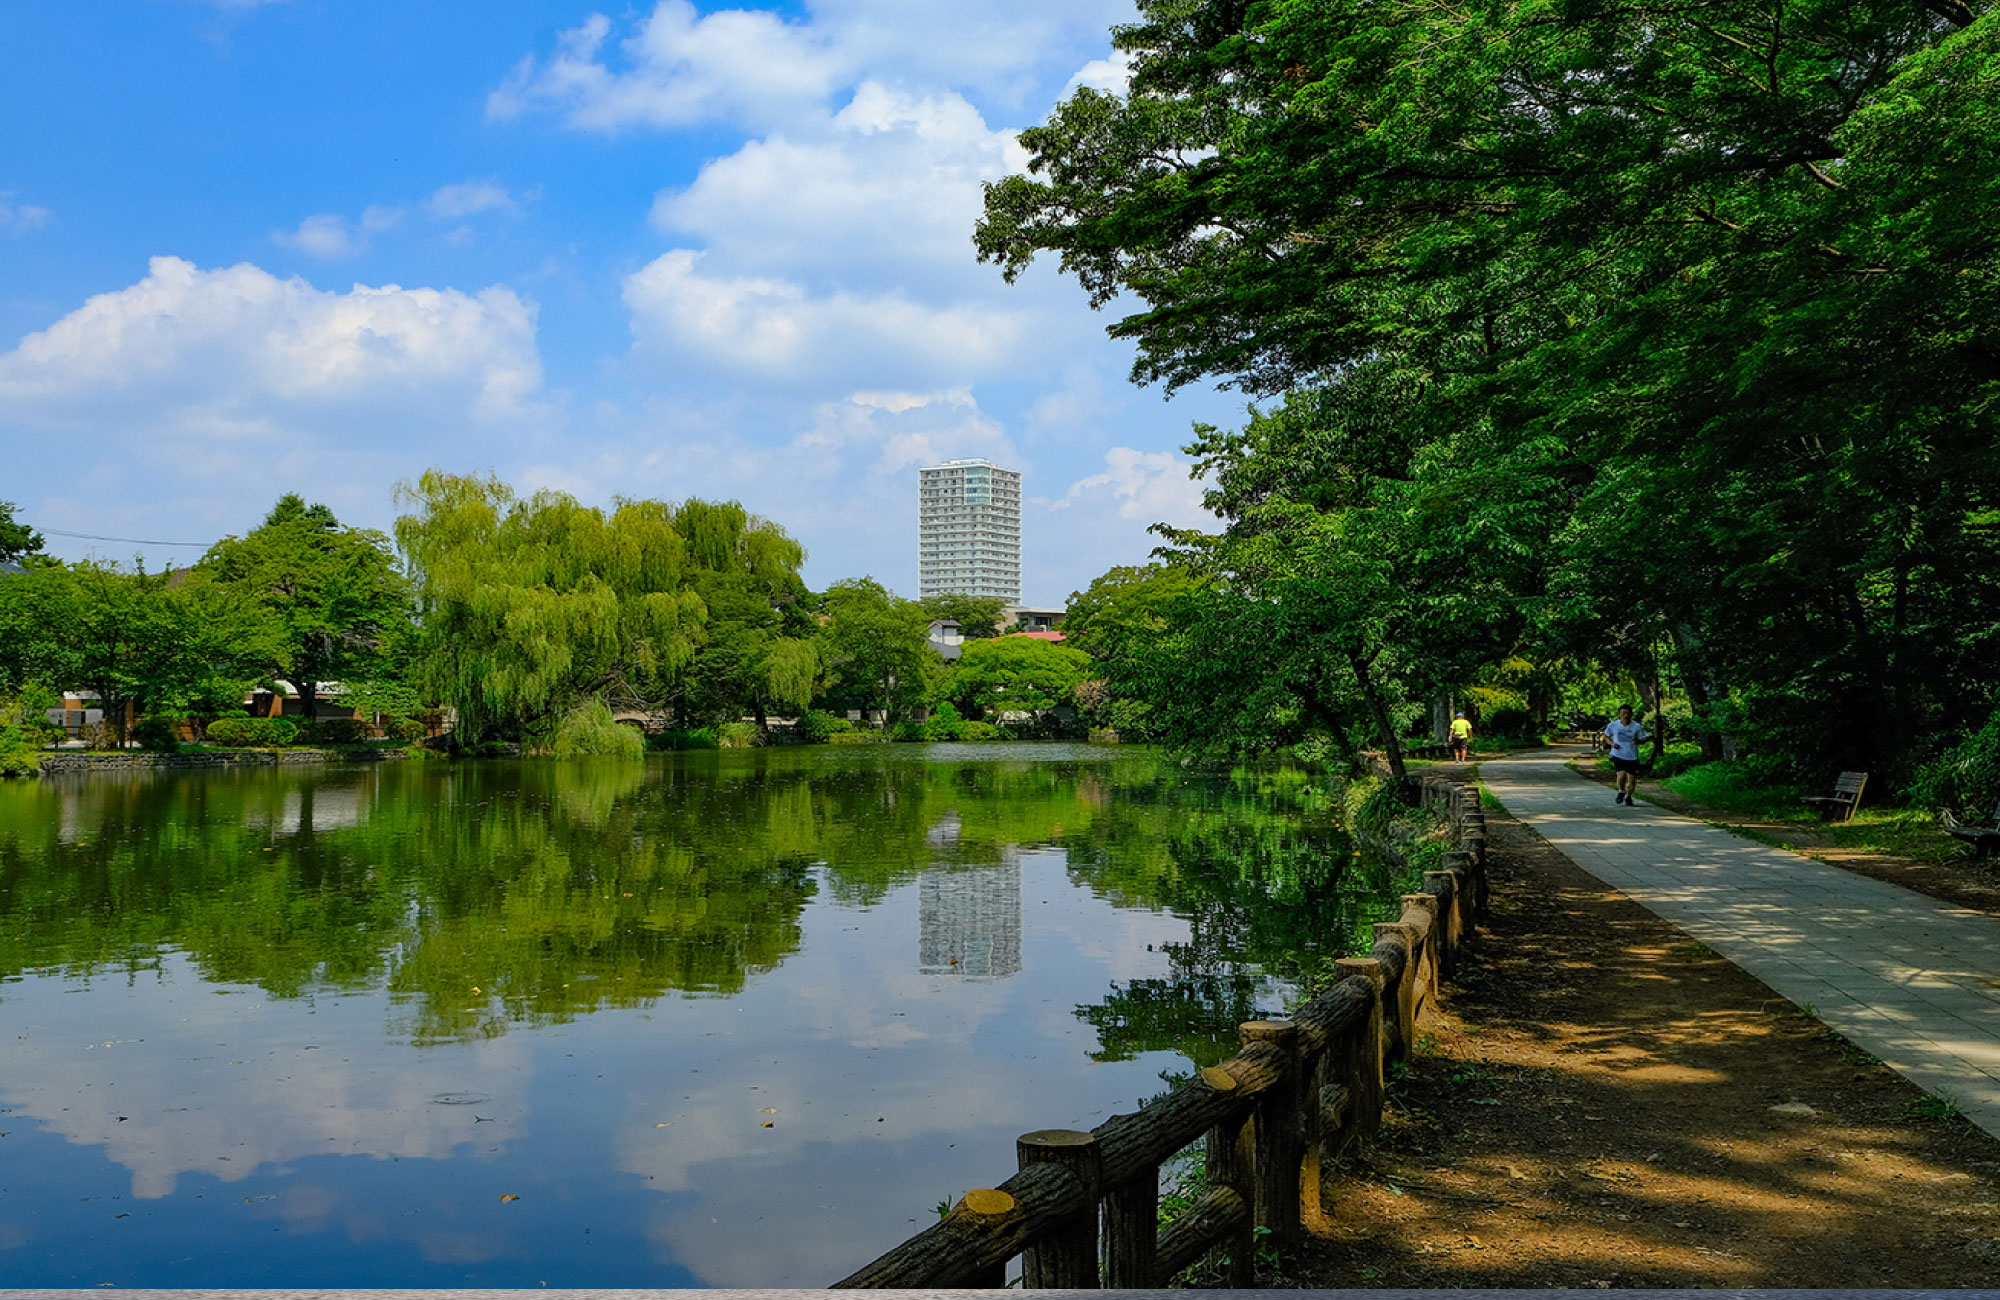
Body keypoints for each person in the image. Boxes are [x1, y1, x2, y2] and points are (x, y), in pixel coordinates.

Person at [1602, 705, 1650, 805]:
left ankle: (1628, 796)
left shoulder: (1636, 727)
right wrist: (1612, 744)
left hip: (1632, 755)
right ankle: (1621, 791)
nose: (1625, 715)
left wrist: (1639, 741)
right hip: (1618, 753)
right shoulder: (1613, 725)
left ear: (1631, 714)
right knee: (1621, 774)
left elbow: (1644, 738)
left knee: (1632, 779)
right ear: (1619, 714)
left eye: (1627, 713)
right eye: (1623, 713)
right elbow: (1606, 736)